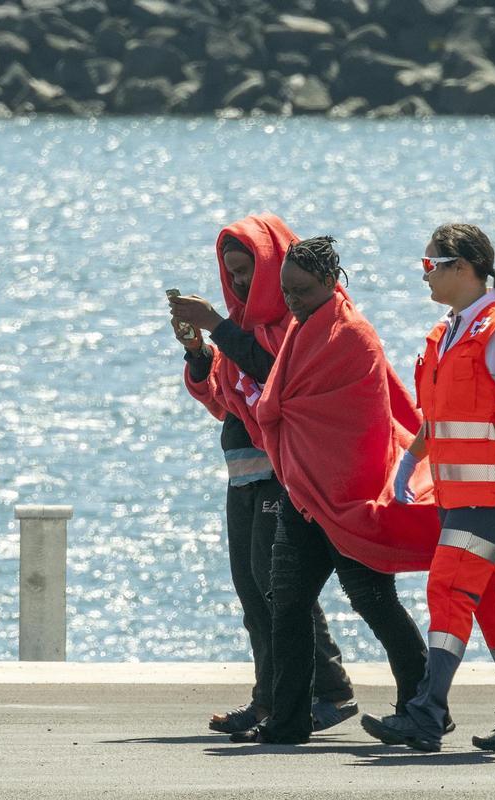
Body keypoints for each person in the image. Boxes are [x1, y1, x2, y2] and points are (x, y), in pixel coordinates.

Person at [360, 223, 495, 753]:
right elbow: (441, 417)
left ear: (462, 268)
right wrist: (411, 459)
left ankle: (426, 712)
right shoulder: (449, 332)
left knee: (446, 589)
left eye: (430, 265)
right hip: (461, 497)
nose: (424, 276)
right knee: (493, 601)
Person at [242, 236, 445, 745]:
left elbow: (361, 423)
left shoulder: (354, 335)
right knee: (287, 603)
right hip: (303, 497)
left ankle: (424, 707)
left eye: (304, 291)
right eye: (287, 291)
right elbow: (284, 403)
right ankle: (288, 721)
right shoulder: (299, 330)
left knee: (373, 601)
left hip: (351, 498)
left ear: (332, 283)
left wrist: (338, 486)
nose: (293, 301)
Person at [170, 214, 355, 736]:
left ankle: (328, 690)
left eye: (246, 270)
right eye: (231, 273)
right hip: (244, 474)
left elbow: (276, 378)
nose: (238, 282)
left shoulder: (296, 324)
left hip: (283, 472)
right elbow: (222, 401)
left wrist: (218, 327)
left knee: (281, 587)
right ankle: (270, 697)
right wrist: (199, 353)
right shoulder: (240, 329)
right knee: (254, 591)